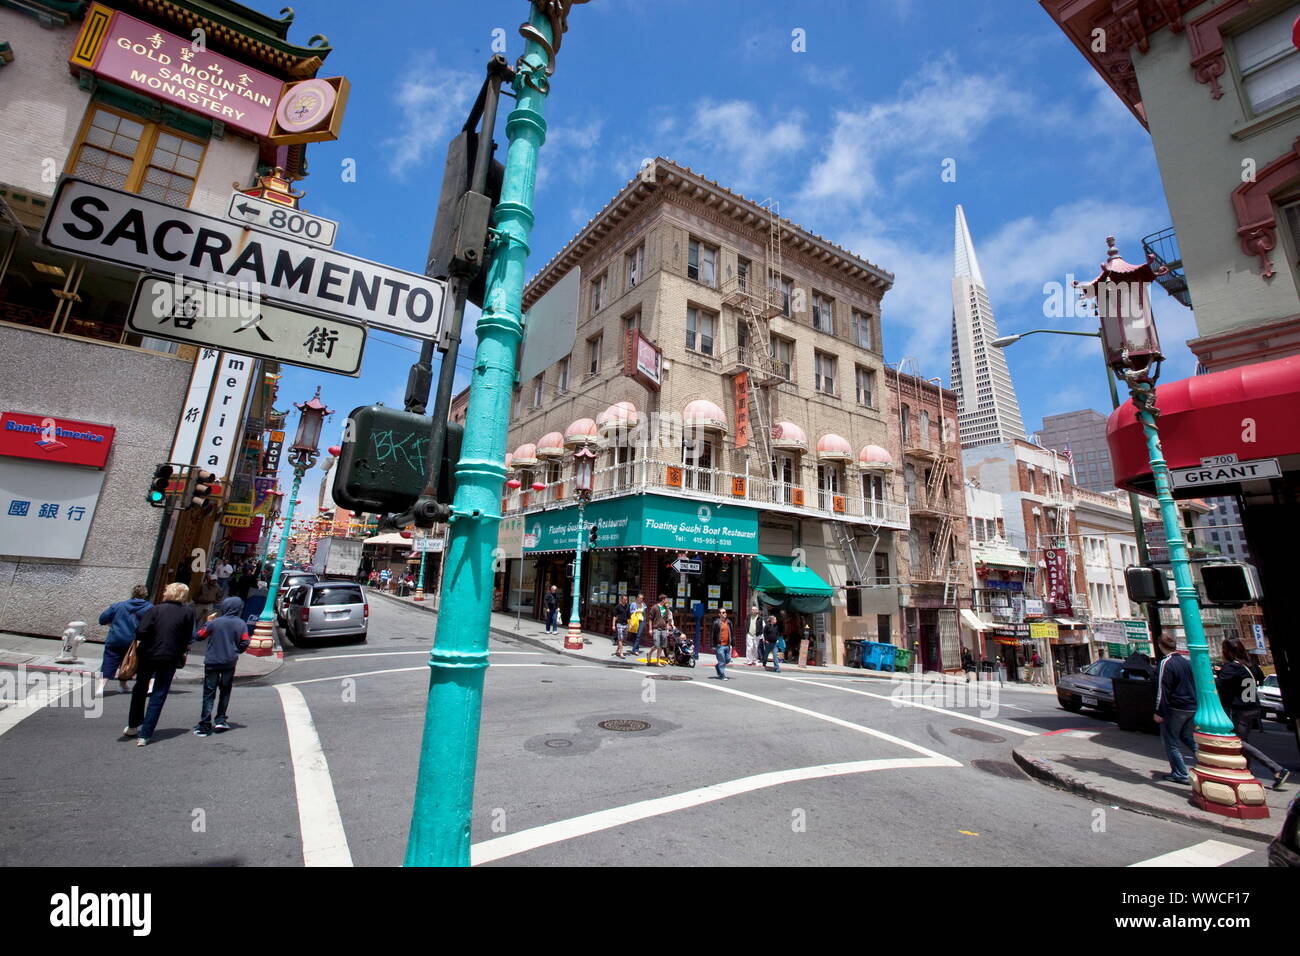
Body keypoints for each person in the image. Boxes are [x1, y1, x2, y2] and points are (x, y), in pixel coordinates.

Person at [125, 582, 196, 747]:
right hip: (170, 656)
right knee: (159, 693)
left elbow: (141, 632)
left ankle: (133, 725)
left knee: (140, 688)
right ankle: (146, 733)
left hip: (148, 654)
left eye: (165, 590)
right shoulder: (187, 613)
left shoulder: (155, 609)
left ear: (170, 593)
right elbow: (188, 637)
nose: (163, 592)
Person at [1216, 638, 1289, 790]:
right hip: (1253, 707)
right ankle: (1247, 772)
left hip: (1240, 709)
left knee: (1237, 741)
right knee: (1244, 742)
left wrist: (1218, 674)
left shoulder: (1231, 668)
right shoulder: (1250, 665)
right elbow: (1260, 679)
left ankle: (1276, 769)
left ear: (1228, 652)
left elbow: (1219, 684)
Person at [192, 596, 251, 737]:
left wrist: (208, 623)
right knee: (225, 690)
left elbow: (199, 636)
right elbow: (245, 642)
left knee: (209, 692)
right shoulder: (241, 624)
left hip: (212, 661)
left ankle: (205, 724)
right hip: (229, 662)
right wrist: (235, 651)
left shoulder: (215, 623)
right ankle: (220, 719)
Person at [1154, 634, 1198, 784]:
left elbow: (1162, 688)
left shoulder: (1166, 663)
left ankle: (1180, 773)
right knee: (1187, 738)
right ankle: (1206, 762)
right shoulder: (1187, 662)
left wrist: (1159, 711)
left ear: (1161, 646)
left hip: (1176, 707)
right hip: (1191, 706)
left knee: (1171, 741)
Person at [98, 585, 152, 693]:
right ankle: (122, 685)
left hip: (115, 638)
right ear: (145, 594)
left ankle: (101, 687)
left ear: (132, 593)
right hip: (133, 641)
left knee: (109, 661)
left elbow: (102, 619)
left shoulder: (118, 606)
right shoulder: (149, 608)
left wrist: (112, 623)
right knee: (128, 662)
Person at [647, 595, 673, 667]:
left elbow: (667, 620)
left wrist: (667, 627)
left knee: (661, 646)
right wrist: (650, 629)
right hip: (656, 628)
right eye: (666, 599)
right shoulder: (655, 607)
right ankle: (649, 653)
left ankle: (658, 661)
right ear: (663, 599)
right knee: (656, 645)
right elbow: (650, 619)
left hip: (664, 629)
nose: (667, 601)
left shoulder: (666, 609)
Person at [711, 607, 734, 679]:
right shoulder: (716, 622)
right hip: (719, 645)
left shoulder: (729, 622)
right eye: (723, 612)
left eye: (725, 612)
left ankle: (718, 666)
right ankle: (722, 675)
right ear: (719, 614)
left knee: (727, 659)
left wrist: (733, 643)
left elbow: (732, 633)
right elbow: (712, 634)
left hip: (727, 645)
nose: (725, 614)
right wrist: (712, 645)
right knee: (722, 660)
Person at [626, 593, 645, 658]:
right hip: (635, 620)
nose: (641, 599)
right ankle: (635, 649)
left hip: (642, 621)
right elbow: (630, 612)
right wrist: (635, 611)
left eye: (642, 598)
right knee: (635, 635)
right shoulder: (633, 604)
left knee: (639, 635)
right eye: (640, 598)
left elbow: (645, 613)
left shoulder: (643, 604)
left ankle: (635, 649)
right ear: (637, 598)